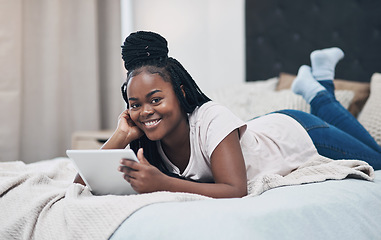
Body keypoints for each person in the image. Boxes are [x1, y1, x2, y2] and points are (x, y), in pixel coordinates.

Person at [74, 31, 381, 198]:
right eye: (135, 104)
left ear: (181, 94)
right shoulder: (146, 141)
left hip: (297, 131)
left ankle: (315, 92)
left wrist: (162, 183)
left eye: (155, 99)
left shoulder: (211, 118)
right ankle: (320, 79)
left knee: (378, 160)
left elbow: (235, 190)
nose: (145, 112)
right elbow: (80, 185)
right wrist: (120, 135)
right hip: (263, 130)